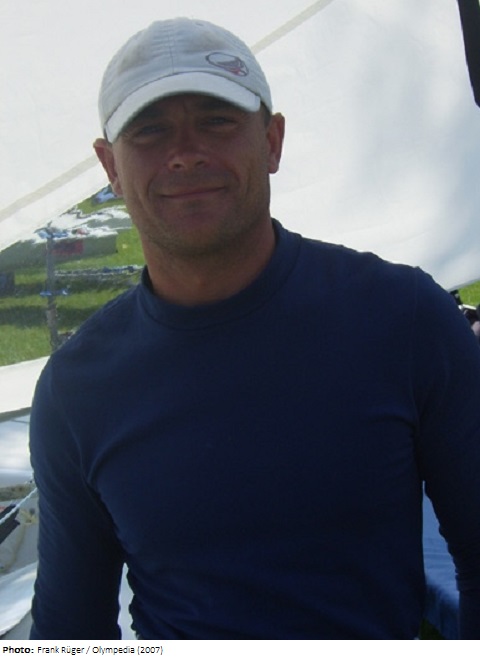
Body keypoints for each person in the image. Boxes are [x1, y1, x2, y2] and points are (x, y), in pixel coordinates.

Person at [29, 17, 480, 640]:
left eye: (216, 120)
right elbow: (68, 632)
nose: (185, 152)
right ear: (110, 165)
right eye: (149, 129)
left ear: (272, 141)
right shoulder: (75, 389)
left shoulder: (403, 317)